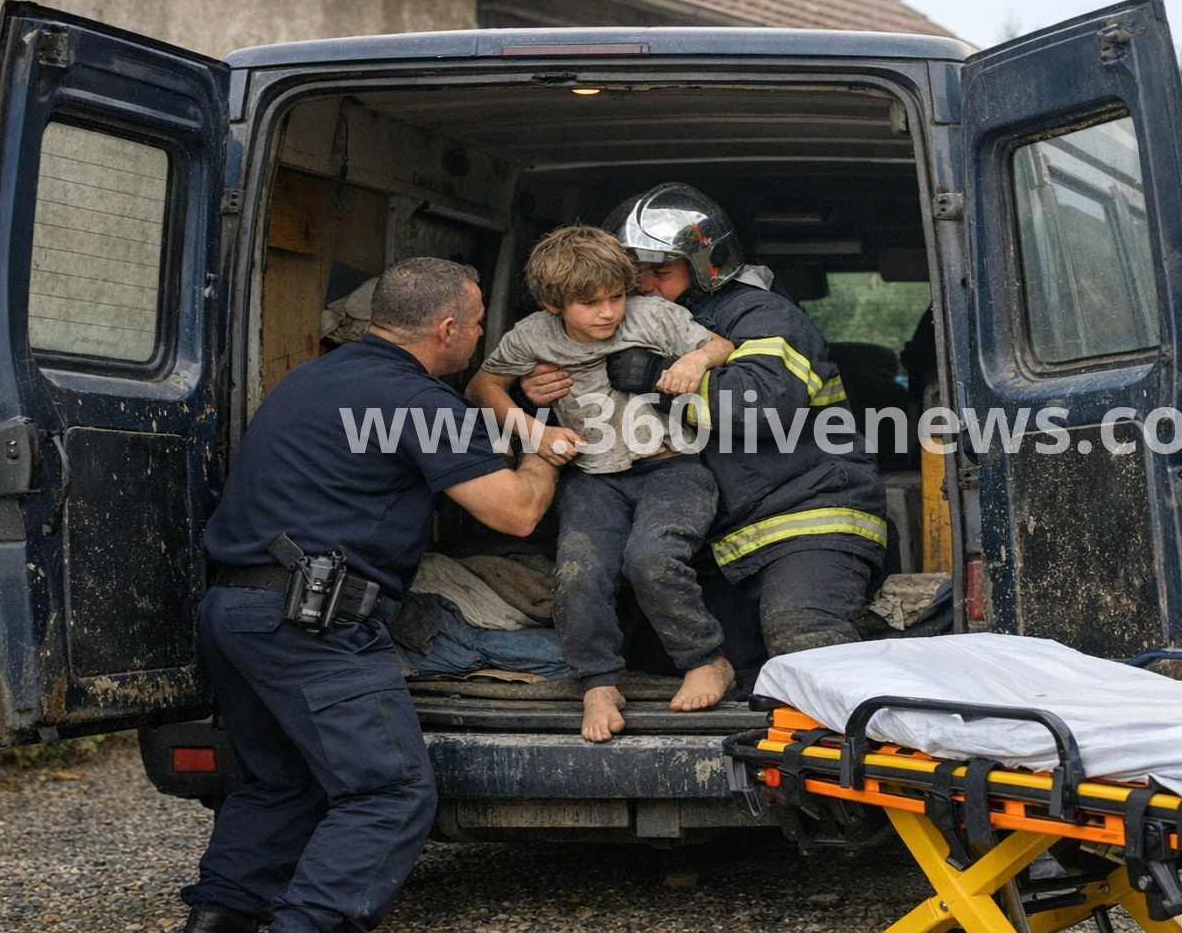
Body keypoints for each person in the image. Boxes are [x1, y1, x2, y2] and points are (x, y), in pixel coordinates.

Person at [182, 258, 560, 933]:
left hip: (234, 613)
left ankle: (220, 919)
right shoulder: (421, 403)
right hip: (310, 623)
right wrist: (543, 448)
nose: (479, 336)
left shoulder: (310, 378)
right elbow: (516, 514)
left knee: (282, 782)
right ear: (446, 328)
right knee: (390, 792)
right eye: (476, 324)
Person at [519, 184, 889, 668]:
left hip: (806, 518)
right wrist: (539, 392)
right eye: (634, 275)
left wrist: (655, 378)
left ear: (706, 264)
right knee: (675, 664)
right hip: (720, 538)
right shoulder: (620, 322)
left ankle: (843, 740)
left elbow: (762, 406)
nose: (645, 285)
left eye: (662, 271)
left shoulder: (761, 314)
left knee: (801, 635)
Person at [466, 225, 736, 741]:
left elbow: (721, 345)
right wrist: (534, 430)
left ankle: (706, 659)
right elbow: (484, 385)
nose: (608, 312)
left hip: (673, 467)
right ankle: (597, 682)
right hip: (594, 477)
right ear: (553, 304)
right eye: (589, 303)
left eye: (616, 296)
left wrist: (694, 360)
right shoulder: (532, 336)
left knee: (651, 558)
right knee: (578, 571)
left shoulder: (652, 315)